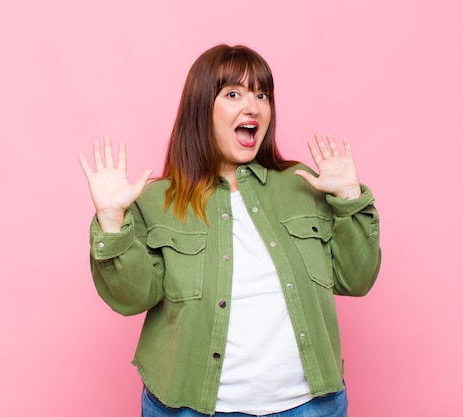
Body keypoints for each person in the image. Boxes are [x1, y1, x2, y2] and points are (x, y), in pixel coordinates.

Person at [78, 44, 381, 417]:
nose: (252, 106)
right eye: (233, 94)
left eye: (262, 94)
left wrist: (349, 197)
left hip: (309, 407)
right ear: (201, 109)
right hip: (189, 407)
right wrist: (111, 219)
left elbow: (357, 279)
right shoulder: (156, 200)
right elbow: (131, 298)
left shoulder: (303, 185)